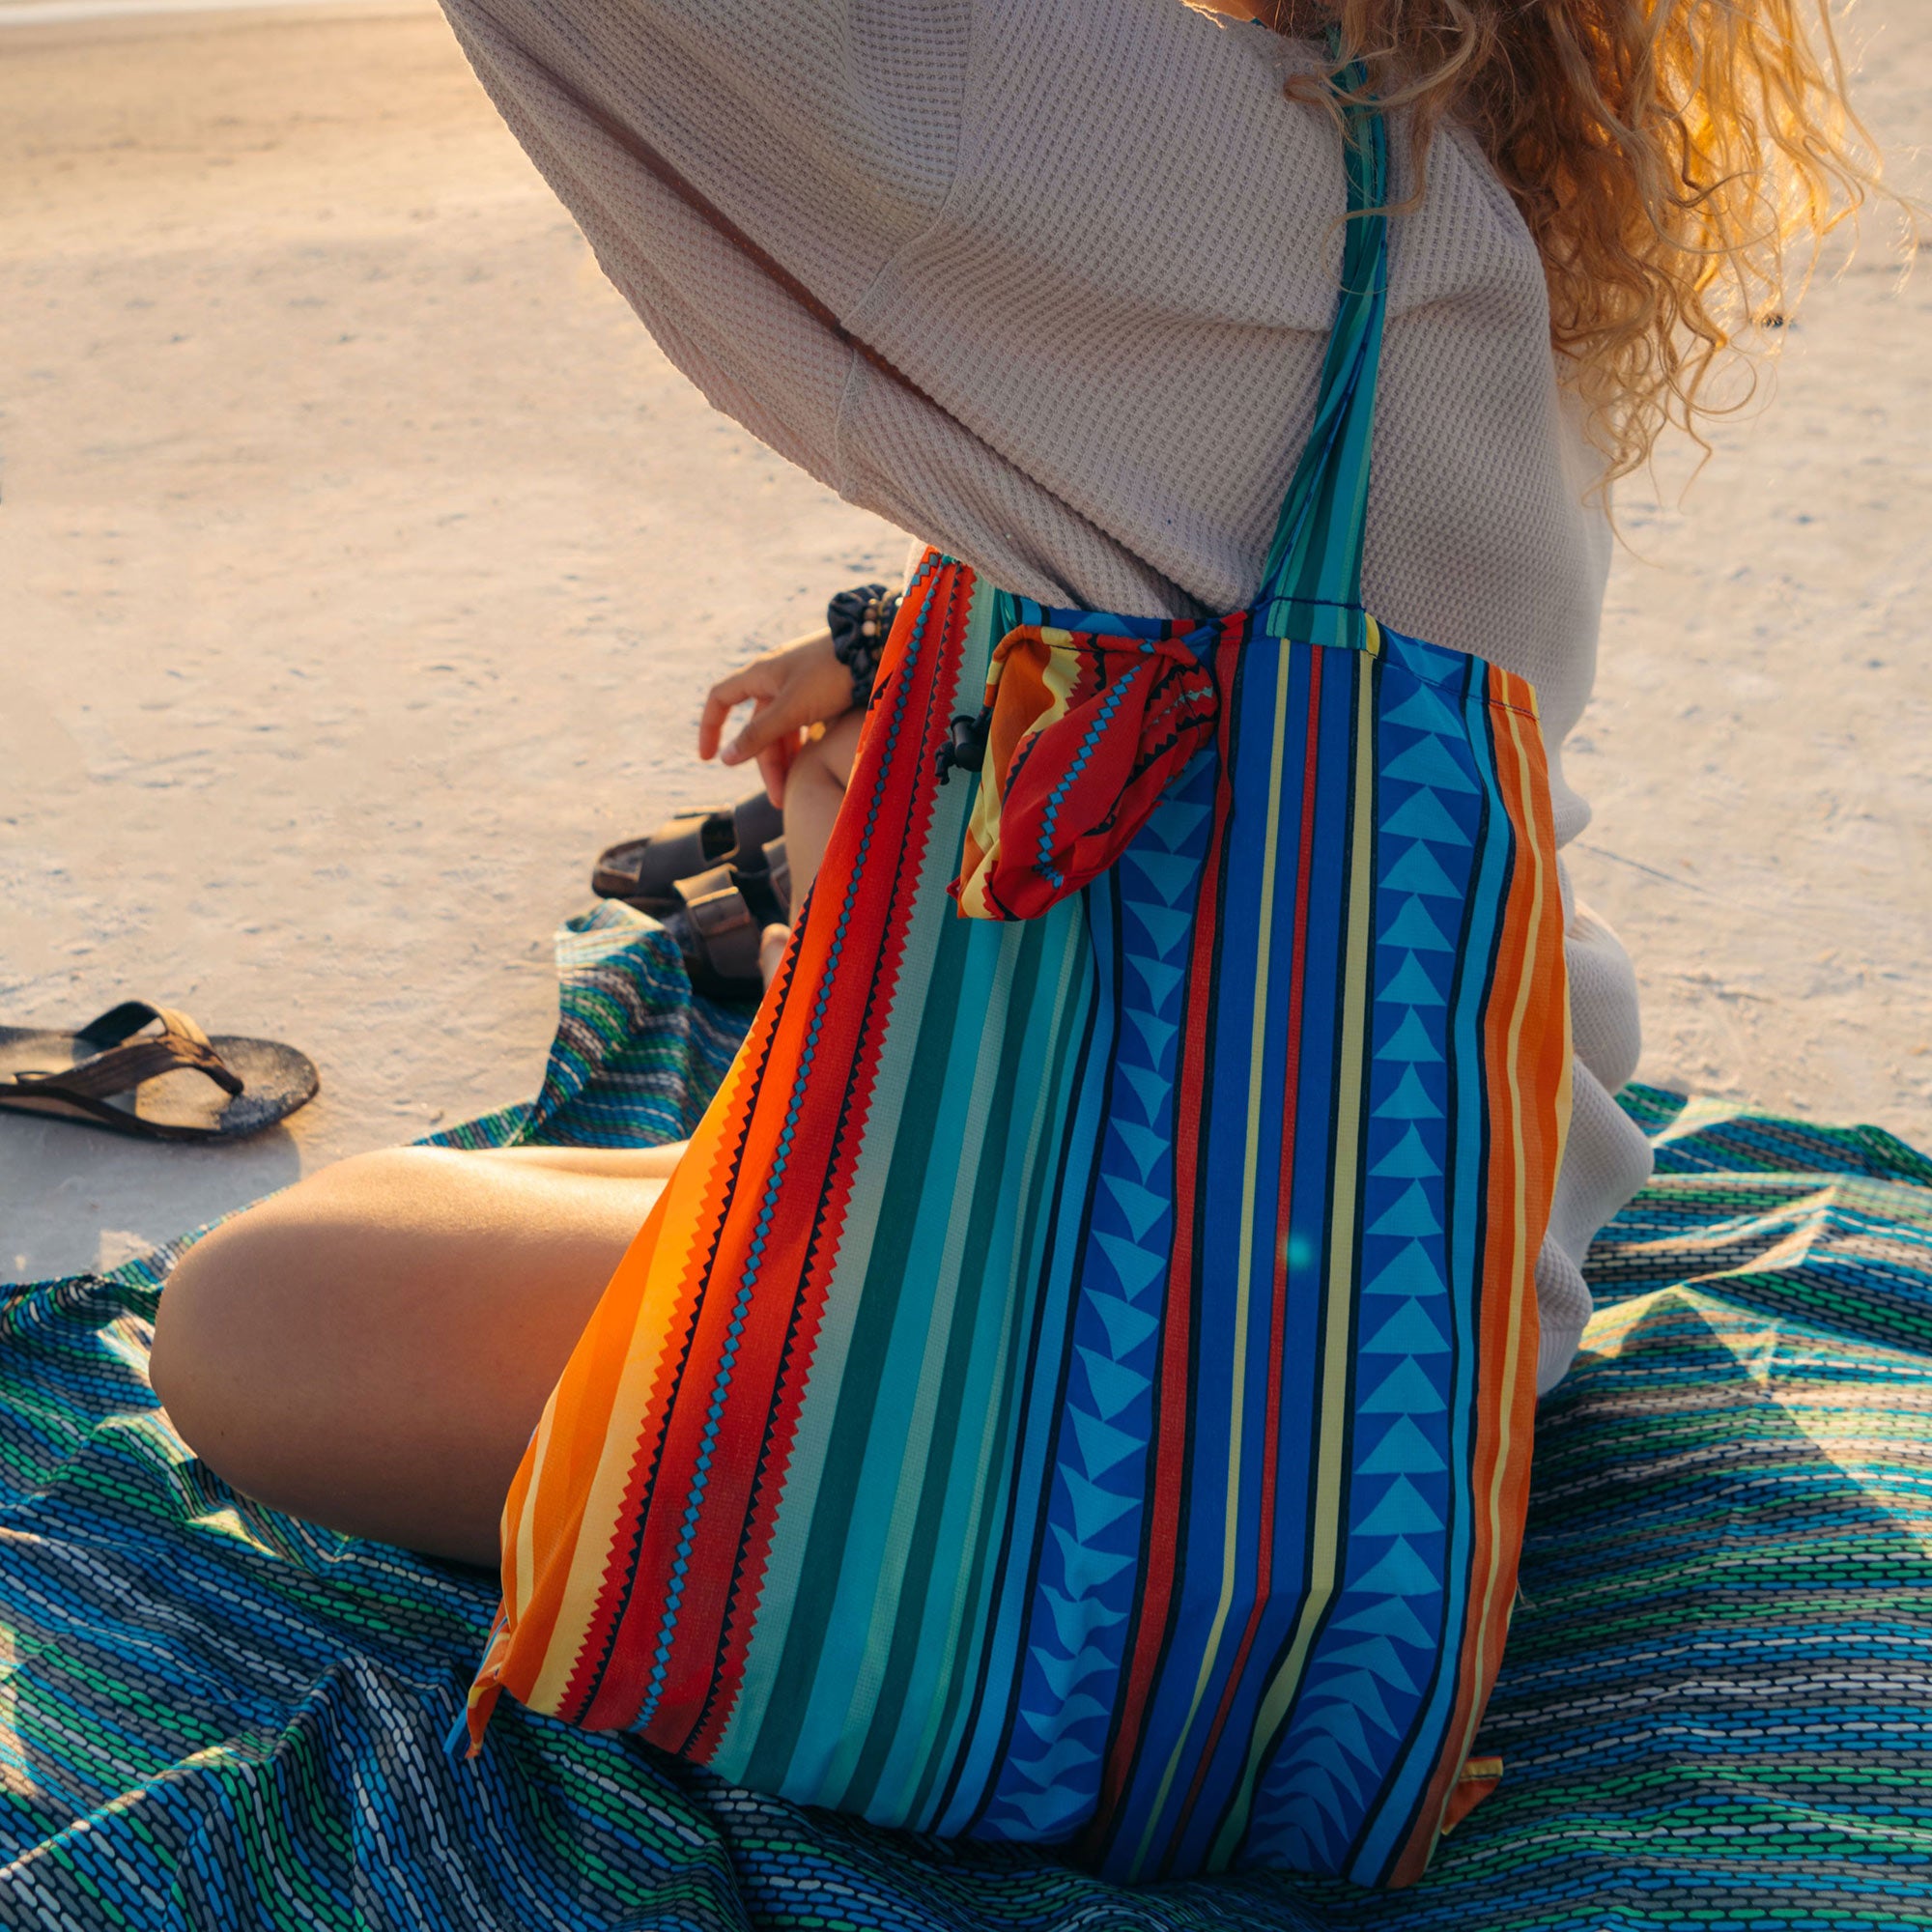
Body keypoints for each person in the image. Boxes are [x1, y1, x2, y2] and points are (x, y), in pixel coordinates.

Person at [150, 0, 1888, 1883]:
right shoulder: (1421, 173)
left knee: (249, 1308)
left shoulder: (1115, 116)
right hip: (1409, 1291)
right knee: (666, 1046)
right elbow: (1265, 562)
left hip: (1131, 1413)